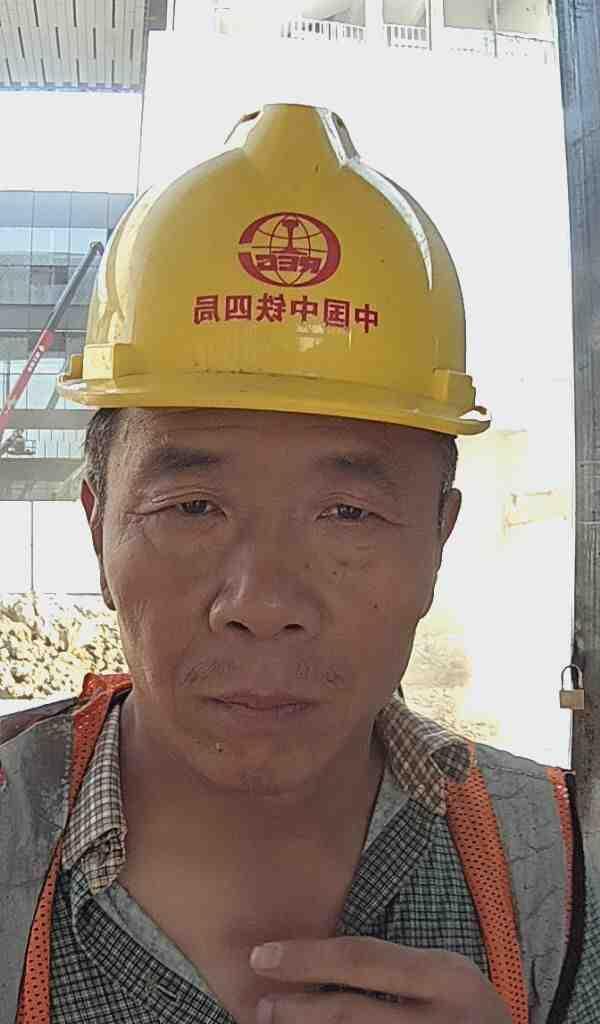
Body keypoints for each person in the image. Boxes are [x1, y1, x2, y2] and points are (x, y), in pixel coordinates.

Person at [1, 104, 598, 1024]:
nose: (262, 601)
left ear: (437, 542)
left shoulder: (566, 874)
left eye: (347, 514)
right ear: (97, 528)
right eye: (192, 507)